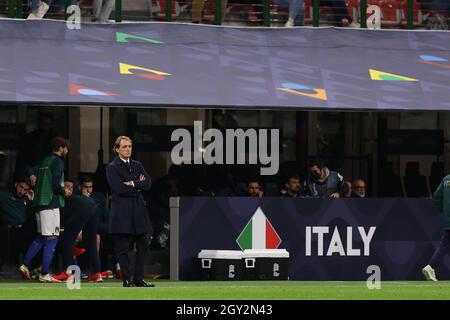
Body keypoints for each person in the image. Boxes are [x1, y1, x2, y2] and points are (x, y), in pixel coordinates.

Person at [18, 137, 70, 283]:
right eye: (66, 148)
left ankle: (25, 265)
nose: (67, 151)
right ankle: (45, 273)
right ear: (61, 148)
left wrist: (31, 175)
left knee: (42, 237)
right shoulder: (58, 162)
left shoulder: (45, 160)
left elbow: (28, 167)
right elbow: (55, 184)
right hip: (50, 203)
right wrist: (64, 191)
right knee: (53, 238)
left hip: (39, 204)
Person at [106, 136, 155, 287]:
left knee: (143, 244)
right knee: (122, 248)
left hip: (138, 210)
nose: (128, 149)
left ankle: (138, 279)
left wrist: (133, 183)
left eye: (129, 146)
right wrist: (138, 186)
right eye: (124, 147)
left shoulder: (137, 164)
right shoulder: (112, 167)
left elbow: (148, 183)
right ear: (117, 149)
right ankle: (127, 279)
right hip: (122, 211)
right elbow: (118, 188)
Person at [53, 179, 103, 282]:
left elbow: (63, 225)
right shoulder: (73, 198)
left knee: (67, 239)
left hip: (84, 208)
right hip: (94, 207)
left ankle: (68, 272)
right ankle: (96, 273)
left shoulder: (60, 202)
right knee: (91, 241)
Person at [0, 178, 35, 271]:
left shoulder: (26, 200)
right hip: (5, 230)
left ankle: (21, 269)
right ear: (16, 184)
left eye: (25, 189)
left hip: (20, 231)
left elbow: (30, 217)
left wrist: (31, 201)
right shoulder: (4, 195)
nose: (22, 191)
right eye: (21, 187)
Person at [422, 174, 450, 281]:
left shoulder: (446, 179)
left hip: (448, 219)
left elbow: (437, 197)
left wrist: (446, 212)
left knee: (444, 245)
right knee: (444, 245)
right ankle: (430, 267)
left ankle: (430, 267)